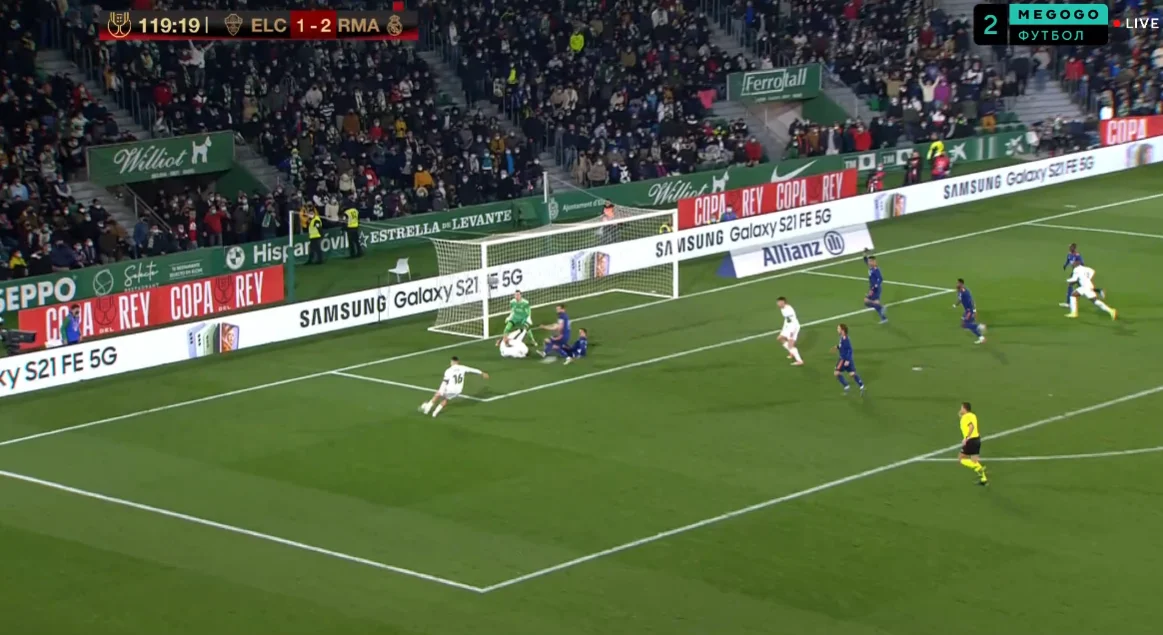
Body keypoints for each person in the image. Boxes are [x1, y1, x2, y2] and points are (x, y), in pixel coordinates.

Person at [420, 356, 488, 417]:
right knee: (446, 399)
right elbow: (472, 370)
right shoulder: (462, 367)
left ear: (452, 362)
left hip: (450, 389)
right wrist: (482, 373)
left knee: (437, 395)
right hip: (458, 390)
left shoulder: (448, 370)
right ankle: (435, 413)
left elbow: (445, 382)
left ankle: (427, 409)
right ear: (458, 362)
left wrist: (441, 391)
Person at [1060, 243, 1103, 307]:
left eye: (1070, 247)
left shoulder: (1077, 255)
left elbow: (1082, 263)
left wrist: (1079, 271)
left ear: (1073, 248)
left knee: (1074, 285)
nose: (1069, 248)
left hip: (1078, 273)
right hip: (1074, 272)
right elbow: (1068, 260)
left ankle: (1069, 303)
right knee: (1081, 286)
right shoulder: (1069, 254)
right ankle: (1098, 290)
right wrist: (1065, 265)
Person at [957, 402, 989, 486]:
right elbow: (966, 420)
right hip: (977, 439)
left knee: (961, 458)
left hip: (970, 441)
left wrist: (966, 438)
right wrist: (961, 415)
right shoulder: (973, 415)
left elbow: (971, 426)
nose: (960, 409)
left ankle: (979, 468)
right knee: (974, 461)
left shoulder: (965, 417)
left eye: (961, 408)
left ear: (965, 409)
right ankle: (984, 480)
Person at [831, 323, 865, 394]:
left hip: (843, 359)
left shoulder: (845, 339)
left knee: (836, 373)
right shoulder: (843, 337)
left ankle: (846, 386)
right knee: (852, 373)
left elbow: (850, 350)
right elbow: (842, 346)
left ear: (842, 330)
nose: (837, 330)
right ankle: (861, 386)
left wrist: (847, 360)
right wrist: (837, 347)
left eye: (838, 328)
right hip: (846, 359)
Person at [953, 279, 987, 344]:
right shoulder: (960, 291)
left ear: (961, 284)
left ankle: (980, 326)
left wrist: (974, 311)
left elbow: (971, 300)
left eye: (958, 283)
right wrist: (955, 305)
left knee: (964, 324)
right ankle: (981, 338)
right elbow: (960, 299)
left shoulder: (965, 292)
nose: (957, 284)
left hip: (969, 310)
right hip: (967, 310)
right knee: (969, 325)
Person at [776, 296, 804, 366]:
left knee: (790, 344)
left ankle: (799, 361)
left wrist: (791, 333)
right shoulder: (782, 309)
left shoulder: (788, 310)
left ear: (783, 302)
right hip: (788, 327)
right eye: (777, 302)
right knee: (780, 338)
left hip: (793, 327)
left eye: (779, 303)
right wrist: (783, 329)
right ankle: (792, 352)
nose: (777, 304)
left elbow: (792, 321)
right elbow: (786, 320)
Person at [863, 251, 887, 323]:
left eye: (870, 261)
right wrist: (864, 254)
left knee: (866, 301)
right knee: (874, 303)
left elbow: (880, 278)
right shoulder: (871, 267)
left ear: (873, 262)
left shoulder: (876, 269)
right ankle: (883, 318)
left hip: (875, 289)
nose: (869, 262)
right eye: (869, 261)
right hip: (872, 288)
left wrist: (876, 285)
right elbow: (865, 260)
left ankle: (881, 307)